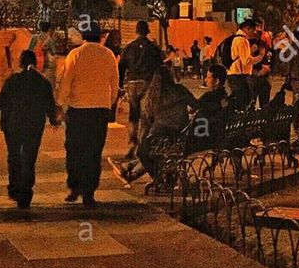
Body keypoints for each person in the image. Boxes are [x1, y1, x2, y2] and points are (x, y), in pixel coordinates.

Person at [0, 48, 59, 208]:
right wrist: (54, 120)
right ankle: (25, 191)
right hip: (34, 125)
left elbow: (0, 101)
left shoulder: (13, 80)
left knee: (13, 155)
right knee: (29, 157)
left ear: (20, 63)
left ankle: (14, 187)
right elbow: (49, 104)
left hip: (12, 123)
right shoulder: (42, 82)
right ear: (35, 63)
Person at [57, 21, 120, 205]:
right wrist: (109, 103)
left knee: (75, 149)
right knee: (94, 151)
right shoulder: (108, 55)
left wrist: (60, 104)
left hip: (78, 110)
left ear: (83, 36)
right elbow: (115, 83)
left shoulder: (75, 54)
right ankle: (89, 192)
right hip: (100, 111)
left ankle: (74, 187)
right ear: (100, 37)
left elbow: (66, 82)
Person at [109, 64, 196, 185]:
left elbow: (148, 118)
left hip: (160, 133)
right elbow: (195, 105)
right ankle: (129, 171)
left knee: (144, 151)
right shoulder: (180, 89)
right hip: (181, 133)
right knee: (153, 151)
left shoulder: (153, 95)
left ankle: (156, 177)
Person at [118, 20, 164, 158]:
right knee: (146, 114)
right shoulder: (153, 48)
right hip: (147, 83)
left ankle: (132, 142)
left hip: (132, 83)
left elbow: (121, 66)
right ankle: (143, 144)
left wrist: (120, 84)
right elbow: (160, 67)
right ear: (148, 31)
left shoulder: (129, 47)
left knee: (133, 114)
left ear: (136, 31)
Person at [226, 18, 259, 110]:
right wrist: (259, 57)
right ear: (248, 28)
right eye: (253, 29)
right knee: (242, 103)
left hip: (234, 74)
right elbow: (246, 61)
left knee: (239, 101)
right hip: (239, 75)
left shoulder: (237, 38)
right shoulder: (242, 40)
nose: (255, 32)